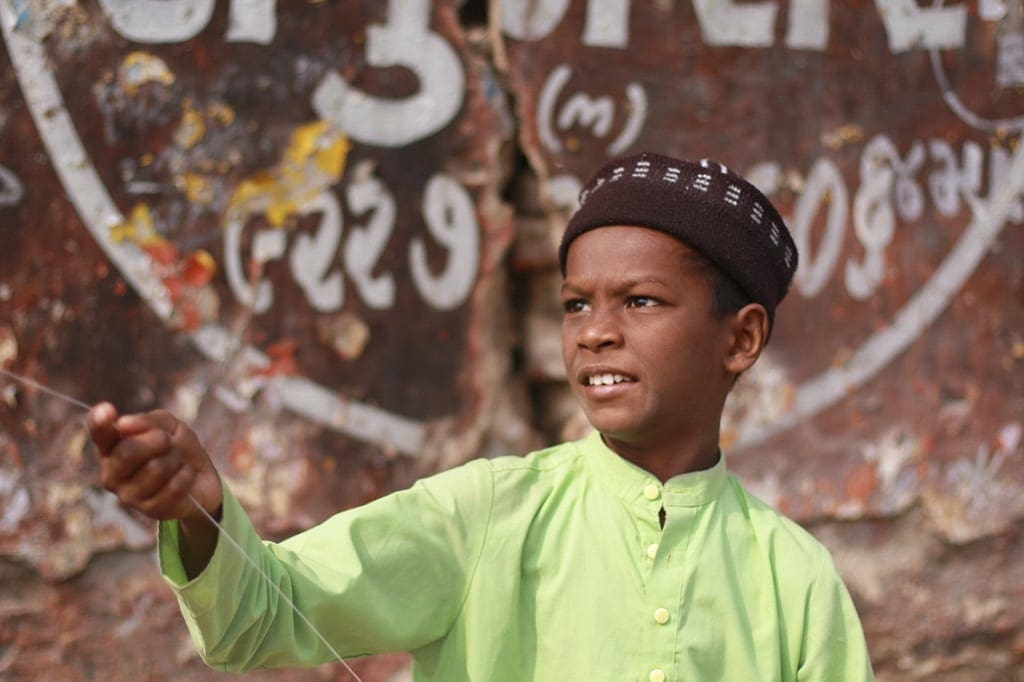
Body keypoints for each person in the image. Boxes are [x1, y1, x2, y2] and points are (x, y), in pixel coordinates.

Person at [88, 152, 875, 681]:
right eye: (575, 305)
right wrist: (201, 514)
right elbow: (258, 619)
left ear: (740, 339)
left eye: (640, 301)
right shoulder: (487, 514)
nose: (596, 331)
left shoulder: (793, 578)